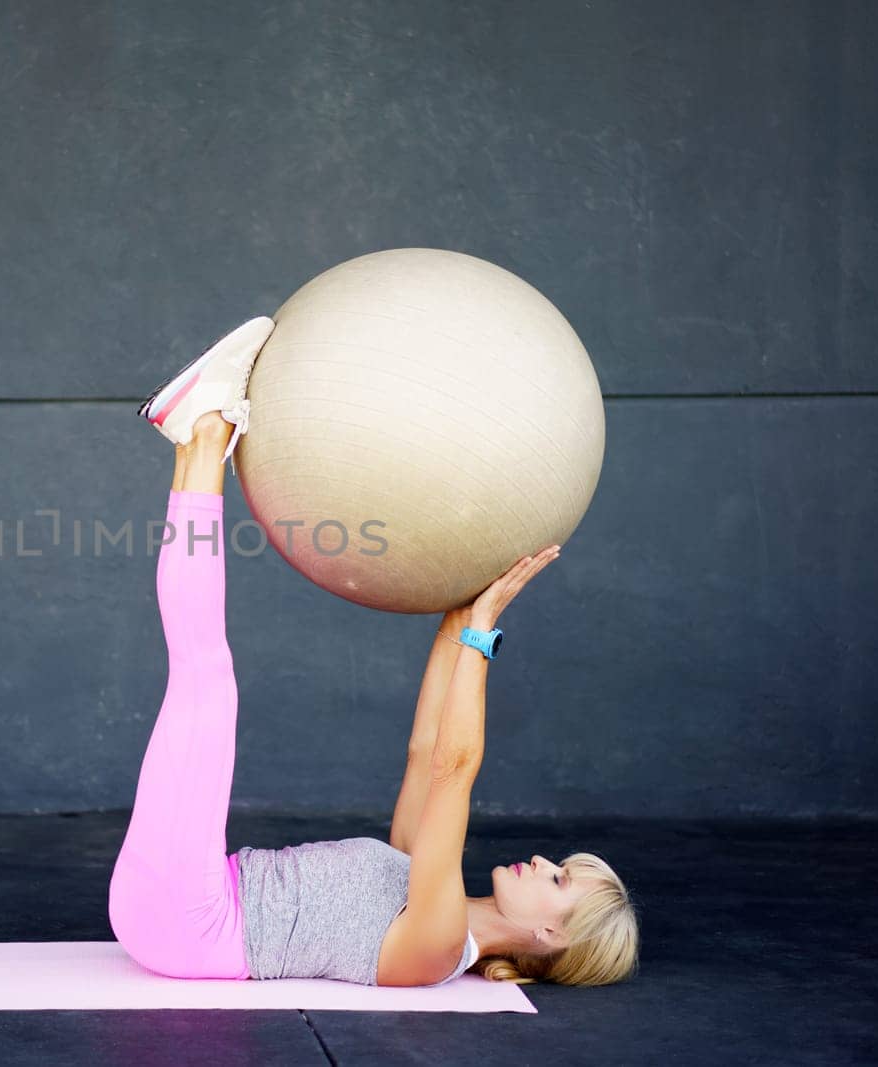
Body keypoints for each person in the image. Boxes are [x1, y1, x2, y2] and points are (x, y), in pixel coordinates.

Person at [108, 317, 640, 988]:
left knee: (205, 682)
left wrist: (482, 635)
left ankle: (206, 432)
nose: (541, 859)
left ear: (550, 936)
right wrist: (462, 598)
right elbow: (426, 751)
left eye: (559, 879)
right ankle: (195, 440)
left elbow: (456, 766)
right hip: (193, 893)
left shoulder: (440, 944)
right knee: (203, 680)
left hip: (189, 921)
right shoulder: (420, 876)